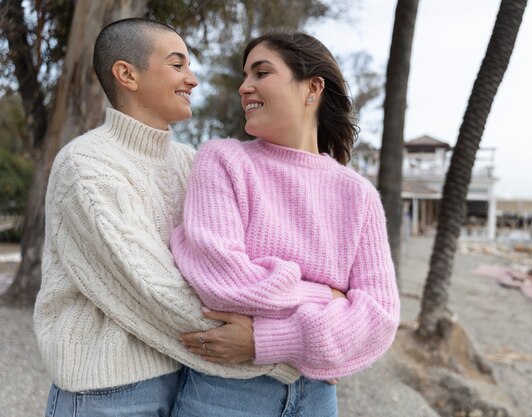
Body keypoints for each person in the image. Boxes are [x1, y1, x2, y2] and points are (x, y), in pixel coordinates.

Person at [34, 18, 299, 417]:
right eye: (177, 65)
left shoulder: (191, 163)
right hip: (108, 393)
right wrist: (278, 350)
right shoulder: (86, 166)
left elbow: (242, 263)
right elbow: (153, 289)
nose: (192, 79)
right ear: (127, 74)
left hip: (188, 377)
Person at [170, 31, 400, 417]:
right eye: (245, 76)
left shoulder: (358, 194)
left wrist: (267, 338)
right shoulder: (223, 161)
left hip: (317, 398)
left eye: (261, 73)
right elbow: (221, 283)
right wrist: (327, 297)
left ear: (312, 87)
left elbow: (379, 318)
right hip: (228, 392)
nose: (245, 87)